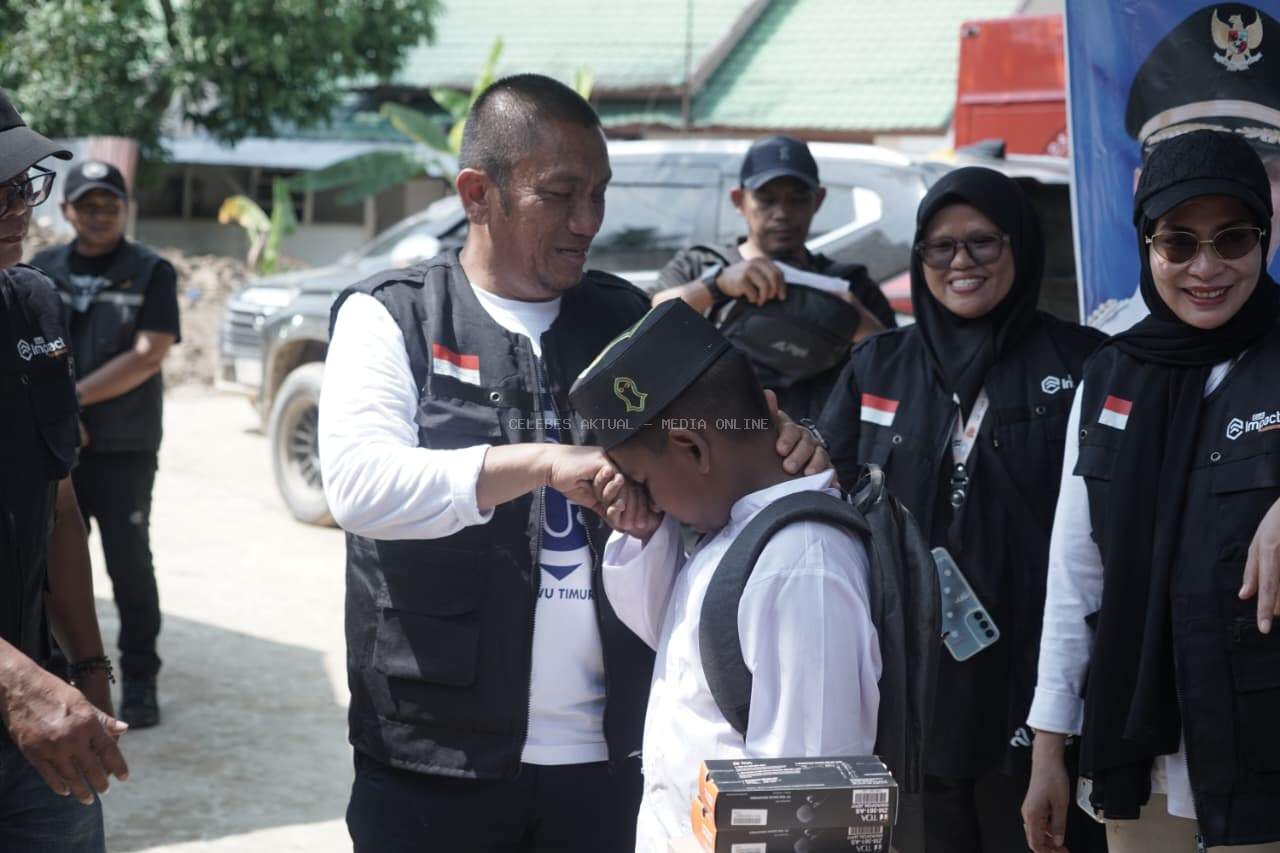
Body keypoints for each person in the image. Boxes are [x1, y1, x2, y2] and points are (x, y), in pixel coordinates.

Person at [317, 73, 829, 853]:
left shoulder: (625, 318)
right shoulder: (394, 316)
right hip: (433, 760)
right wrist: (542, 462)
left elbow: (732, 436)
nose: (587, 220)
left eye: (599, 193)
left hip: (608, 760)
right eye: (560, 194)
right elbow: (359, 486)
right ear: (477, 192)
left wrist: (787, 442)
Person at [818, 167, 1107, 853]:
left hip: (1041, 691)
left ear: (1022, 247)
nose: (960, 263)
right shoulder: (878, 366)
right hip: (912, 696)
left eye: (982, 242)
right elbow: (825, 495)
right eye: (939, 247)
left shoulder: (1086, 362)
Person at [1023, 129, 1280, 852]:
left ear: (1265, 238)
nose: (1206, 267)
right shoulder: (1110, 374)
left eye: (1232, 240)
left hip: (1264, 753)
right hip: (1143, 759)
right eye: (1178, 243)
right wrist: (1048, 750)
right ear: (1147, 246)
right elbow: (1075, 578)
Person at [569, 299, 880, 853]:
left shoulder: (800, 562)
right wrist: (645, 530)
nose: (644, 496)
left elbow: (805, 810)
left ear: (691, 448)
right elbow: (678, 644)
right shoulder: (734, 531)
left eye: (642, 478)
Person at [0, 88, 129, 853]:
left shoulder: (32, 308)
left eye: (25, 184)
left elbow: (61, 507)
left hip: (37, 721)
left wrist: (87, 663)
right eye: (0, 186)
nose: (21, 205)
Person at [31, 160, 181, 729]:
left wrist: (72, 402)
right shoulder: (40, 270)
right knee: (47, 565)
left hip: (123, 446)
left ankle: (140, 679)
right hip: (54, 449)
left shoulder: (152, 271)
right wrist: (55, 416)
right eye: (87, 204)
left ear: (126, 209)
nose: (99, 215)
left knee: (128, 565)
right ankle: (60, 674)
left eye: (110, 204)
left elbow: (149, 352)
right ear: (66, 210)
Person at [651, 135, 896, 421]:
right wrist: (715, 285)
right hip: (716, 441)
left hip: (819, 447)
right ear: (739, 200)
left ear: (818, 200)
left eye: (797, 200)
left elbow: (896, 367)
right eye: (766, 201)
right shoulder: (699, 265)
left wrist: (854, 320)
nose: (782, 214)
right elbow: (653, 318)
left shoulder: (849, 285)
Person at [1090, 3, 1280, 334]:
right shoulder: (1097, 357)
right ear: (1139, 192)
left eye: (1263, 172)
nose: (1206, 268)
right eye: (1187, 175)